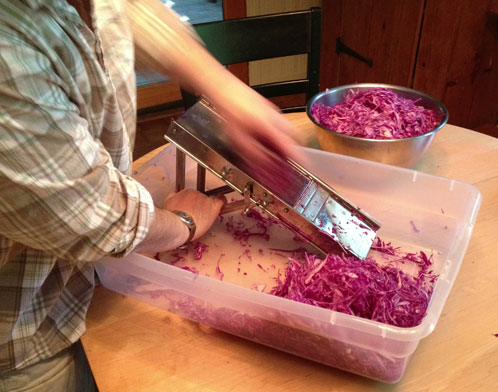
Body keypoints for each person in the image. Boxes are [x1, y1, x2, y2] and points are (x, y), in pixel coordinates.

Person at [0, 0, 303, 390]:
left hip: (96, 278)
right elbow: (97, 220)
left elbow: (124, 9)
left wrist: (226, 91)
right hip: (28, 337)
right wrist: (184, 223)